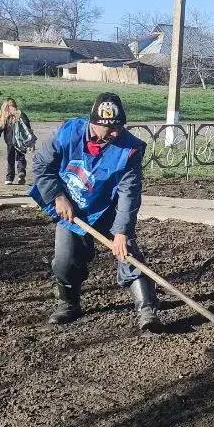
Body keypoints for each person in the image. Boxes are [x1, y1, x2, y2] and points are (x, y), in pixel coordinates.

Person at [28, 92, 160, 331]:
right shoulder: (69, 133)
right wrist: (58, 196)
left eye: (119, 127)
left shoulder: (129, 149)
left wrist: (121, 232)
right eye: (108, 128)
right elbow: (41, 164)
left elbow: (129, 193)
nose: (115, 133)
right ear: (93, 123)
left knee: (128, 255)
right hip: (73, 208)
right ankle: (69, 304)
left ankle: (147, 310)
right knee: (65, 260)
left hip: (109, 210)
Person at [0, 98, 34, 186]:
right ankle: (21, 172)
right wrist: (30, 140)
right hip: (21, 141)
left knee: (10, 159)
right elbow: (28, 127)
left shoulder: (4, 117)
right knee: (21, 157)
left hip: (10, 142)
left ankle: (9, 178)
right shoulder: (21, 114)